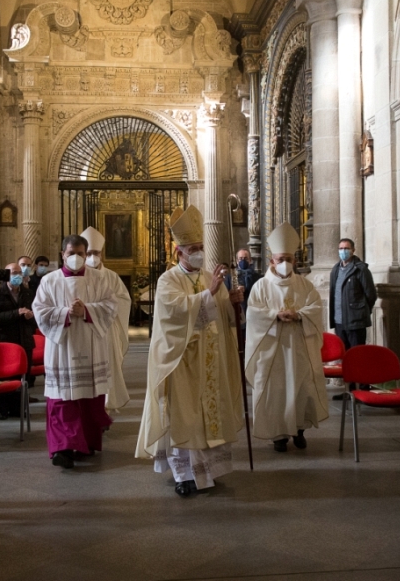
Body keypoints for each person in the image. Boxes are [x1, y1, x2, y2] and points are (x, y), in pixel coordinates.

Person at [135, 205, 244, 497]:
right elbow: (174, 314)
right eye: (192, 248)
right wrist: (209, 294)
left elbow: (221, 318)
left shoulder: (211, 276)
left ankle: (210, 470)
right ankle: (184, 475)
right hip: (180, 362)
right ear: (178, 252)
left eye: (200, 247)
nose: (198, 252)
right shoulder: (167, 280)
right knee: (185, 417)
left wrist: (230, 301)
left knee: (209, 414)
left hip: (210, 361)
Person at [32, 234, 117, 469]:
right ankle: (63, 448)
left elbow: (111, 306)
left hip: (91, 345)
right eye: (72, 254)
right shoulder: (49, 281)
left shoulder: (100, 278)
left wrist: (87, 310)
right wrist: (66, 313)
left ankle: (86, 443)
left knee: (90, 398)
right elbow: (39, 311)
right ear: (62, 255)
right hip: (62, 346)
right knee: (62, 398)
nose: (77, 258)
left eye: (81, 253)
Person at [245, 222, 328, 452]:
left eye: (289, 259)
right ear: (271, 260)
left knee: (300, 389)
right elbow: (253, 313)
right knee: (276, 391)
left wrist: (299, 315)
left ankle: (299, 430)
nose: (285, 264)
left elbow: (315, 308)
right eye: (280, 259)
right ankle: (278, 436)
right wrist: (275, 316)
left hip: (298, 347)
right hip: (272, 350)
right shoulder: (261, 286)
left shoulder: (305, 285)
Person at [81, 226, 131, 411]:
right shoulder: (78, 276)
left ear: (101, 254)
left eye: (96, 253)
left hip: (107, 331)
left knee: (107, 370)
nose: (92, 257)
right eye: (89, 253)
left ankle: (106, 408)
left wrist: (105, 307)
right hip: (84, 330)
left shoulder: (111, 276)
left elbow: (124, 299)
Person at [0, 262, 38, 418]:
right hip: (5, 342)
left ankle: (18, 408)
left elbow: (37, 320)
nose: (17, 275)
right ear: (6, 275)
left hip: (24, 341)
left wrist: (30, 317)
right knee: (4, 377)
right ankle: (3, 409)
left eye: (19, 273)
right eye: (13, 272)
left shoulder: (28, 294)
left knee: (23, 377)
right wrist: (16, 313)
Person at [329, 237, 377, 399]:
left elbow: (371, 294)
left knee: (358, 356)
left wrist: (361, 312)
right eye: (341, 248)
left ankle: (363, 390)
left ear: (353, 250)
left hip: (355, 321)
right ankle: (349, 391)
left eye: (346, 248)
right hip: (339, 321)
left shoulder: (360, 269)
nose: (343, 251)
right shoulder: (336, 269)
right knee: (346, 358)